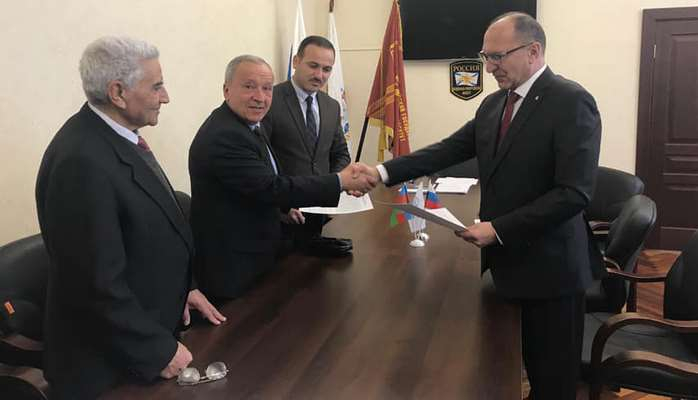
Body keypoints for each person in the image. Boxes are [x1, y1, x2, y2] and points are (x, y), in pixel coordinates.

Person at [362, 13, 603, 399]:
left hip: (552, 271)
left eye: (497, 57)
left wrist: (499, 229)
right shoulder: (493, 105)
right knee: (503, 366)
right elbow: (447, 150)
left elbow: (573, 193)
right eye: (486, 56)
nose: (488, 67)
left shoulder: (571, 101)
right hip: (505, 266)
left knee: (552, 382)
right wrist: (380, 171)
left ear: (533, 51)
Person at [35, 36, 225, 399]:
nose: (165, 97)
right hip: (107, 368)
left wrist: (183, 288)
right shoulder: (81, 162)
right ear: (118, 93)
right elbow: (94, 285)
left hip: (142, 337)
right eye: (156, 86)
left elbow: (146, 230)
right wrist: (156, 350)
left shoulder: (119, 138)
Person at [188, 55, 375, 300]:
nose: (260, 97)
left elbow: (259, 179)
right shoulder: (225, 135)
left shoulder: (247, 124)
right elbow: (271, 186)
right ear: (226, 90)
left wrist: (283, 208)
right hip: (233, 266)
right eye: (249, 86)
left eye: (267, 88)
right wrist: (341, 181)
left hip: (261, 251)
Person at [262, 36, 351, 254]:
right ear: (296, 61)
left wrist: (333, 183)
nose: (320, 75)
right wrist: (281, 206)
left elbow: (340, 153)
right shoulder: (269, 100)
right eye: (313, 66)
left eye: (326, 69)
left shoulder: (331, 106)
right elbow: (262, 157)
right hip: (282, 216)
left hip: (321, 213)